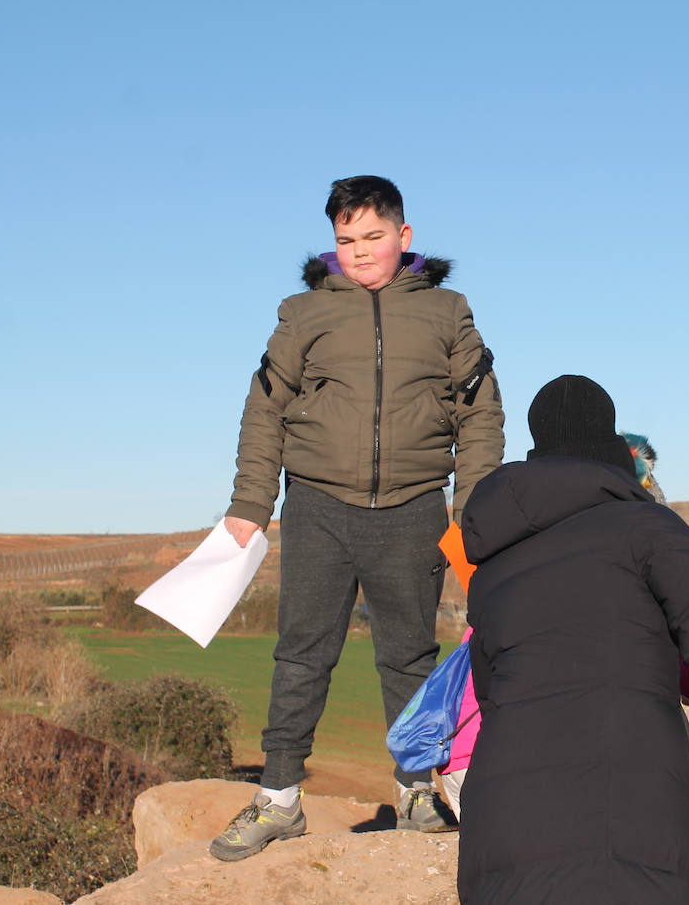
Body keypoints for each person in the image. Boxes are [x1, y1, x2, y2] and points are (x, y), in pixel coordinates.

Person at [209, 176, 505, 861]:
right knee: (302, 654)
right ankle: (278, 797)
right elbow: (264, 410)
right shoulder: (303, 312)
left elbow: (479, 413)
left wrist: (473, 508)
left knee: (408, 656)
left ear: (404, 239)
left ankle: (416, 791)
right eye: (346, 240)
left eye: (373, 237)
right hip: (317, 506)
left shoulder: (448, 312)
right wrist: (251, 503)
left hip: (413, 509)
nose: (360, 251)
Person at [457, 375, 689, 904]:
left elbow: (491, 692)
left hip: (501, 822)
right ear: (611, 449)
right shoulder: (646, 528)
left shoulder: (492, 565)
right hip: (627, 818)